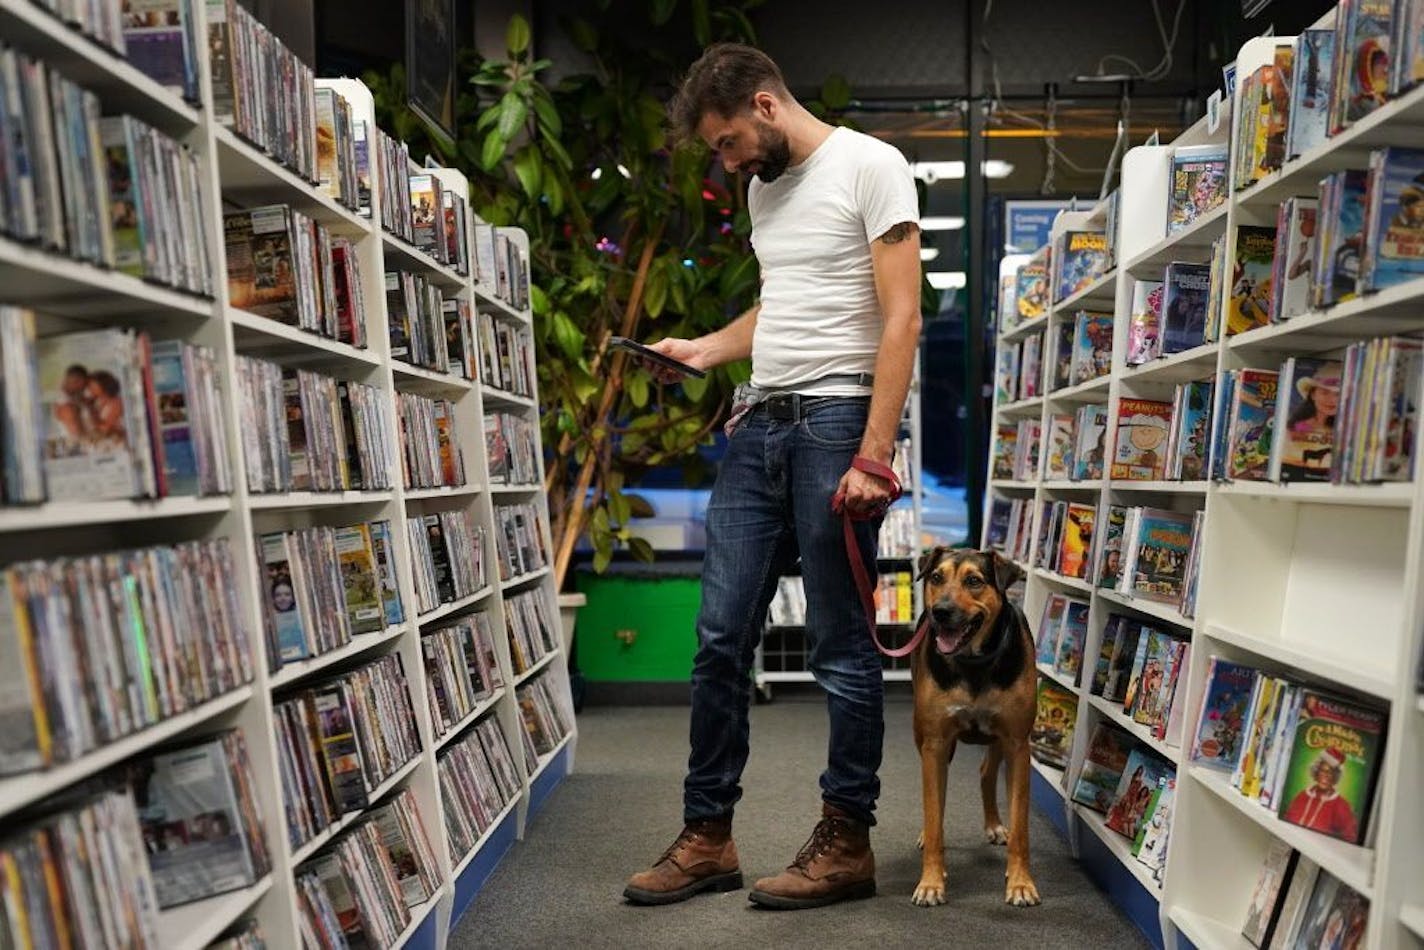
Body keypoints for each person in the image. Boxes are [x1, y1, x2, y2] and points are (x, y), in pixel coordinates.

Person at [621, 42, 921, 910]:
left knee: (839, 647)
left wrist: (875, 451)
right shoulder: (763, 190)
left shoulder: (873, 166)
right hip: (759, 426)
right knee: (719, 639)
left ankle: (847, 841)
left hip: (836, 424)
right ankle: (707, 835)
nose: (727, 163)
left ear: (763, 104)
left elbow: (899, 317)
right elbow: (784, 300)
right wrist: (707, 349)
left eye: (725, 143)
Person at [1282, 746, 1360, 842]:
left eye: (1330, 772)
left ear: (1335, 776)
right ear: (1317, 771)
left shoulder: (1342, 806)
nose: (1325, 776)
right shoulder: (1302, 796)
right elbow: (1286, 820)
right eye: (1323, 770)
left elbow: (1350, 838)